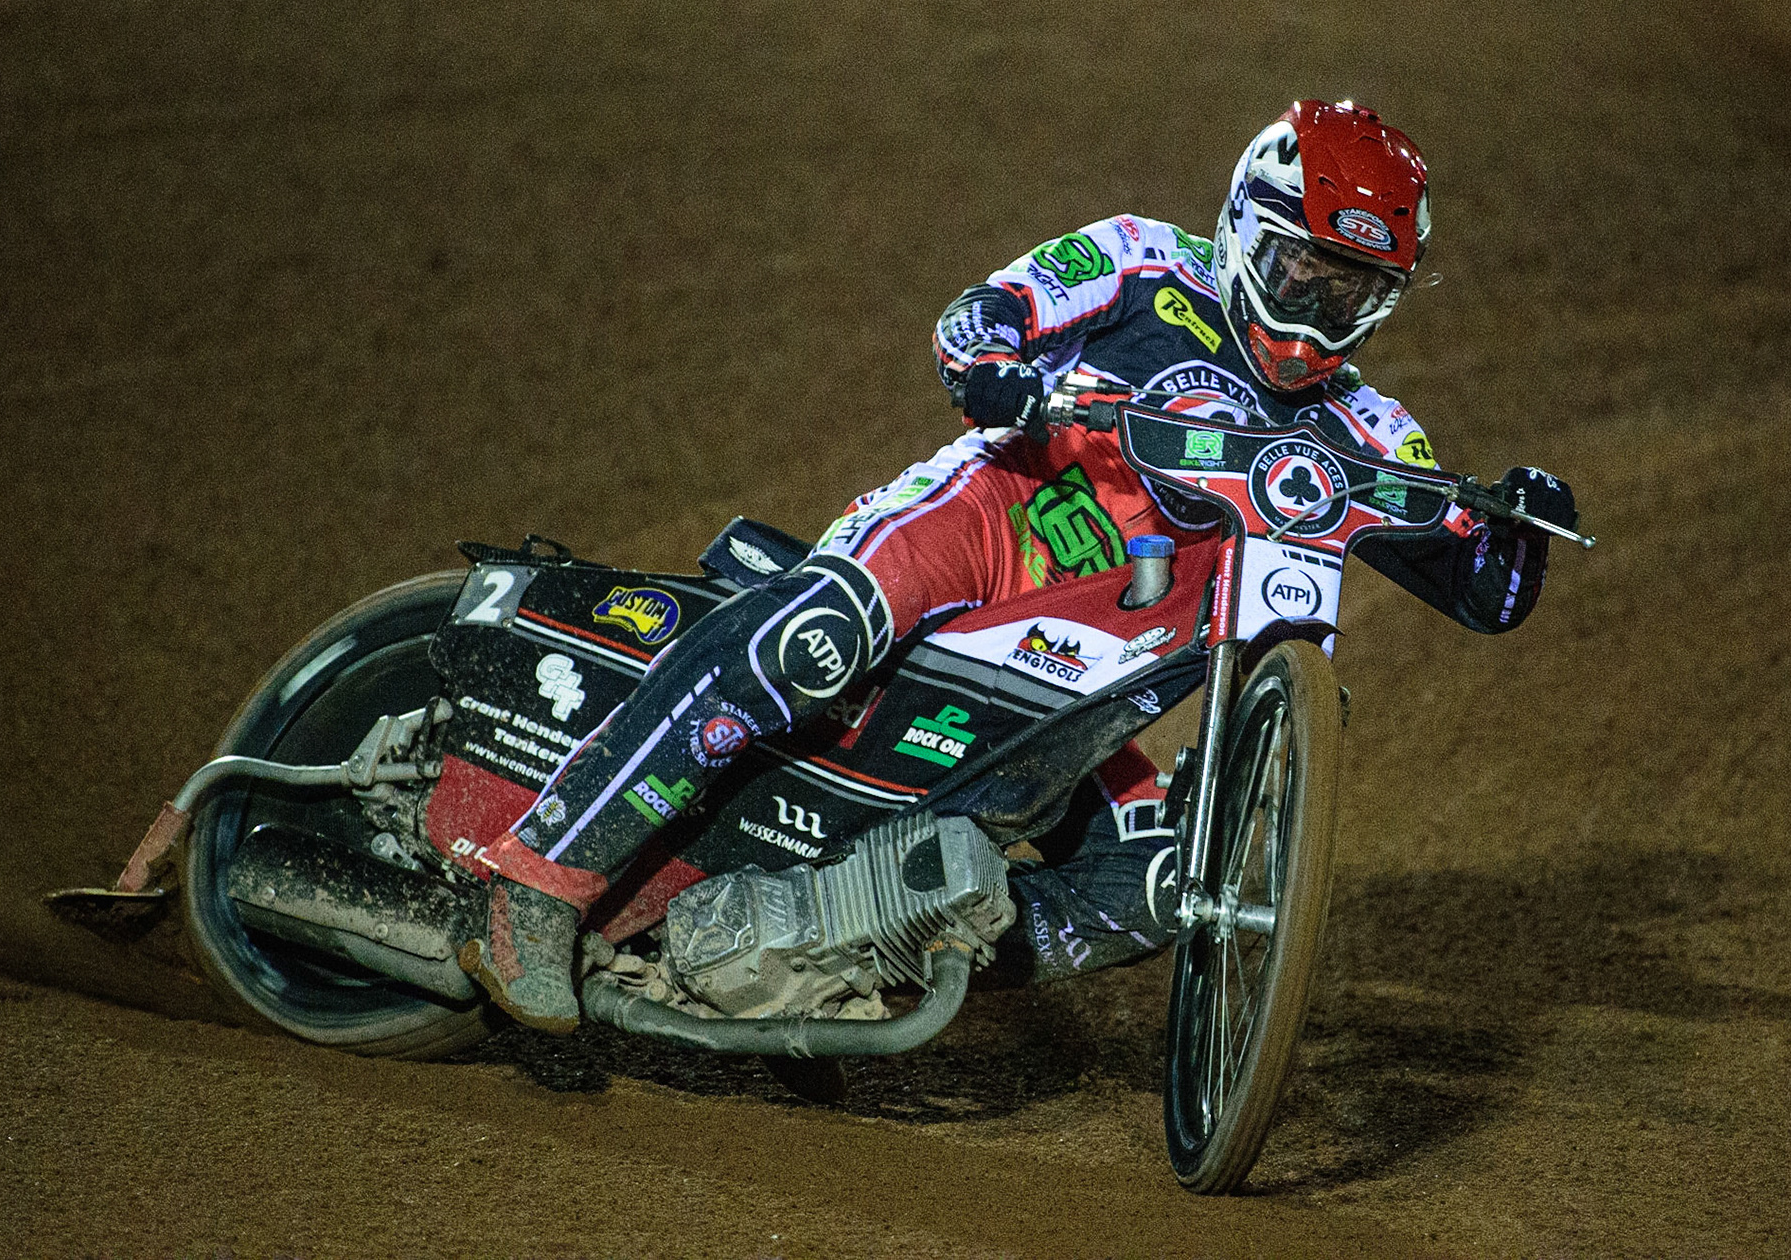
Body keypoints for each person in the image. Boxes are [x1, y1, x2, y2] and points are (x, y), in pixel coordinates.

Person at [458, 99, 1579, 1032]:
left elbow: (1484, 589)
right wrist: (1000, 370)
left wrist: (1521, 522)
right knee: (820, 635)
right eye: (1300, 272)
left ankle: (872, 958)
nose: (1318, 313)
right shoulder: (1144, 259)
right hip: (991, 518)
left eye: (1352, 295)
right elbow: (978, 316)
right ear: (1245, 226)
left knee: (1160, 886)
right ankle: (538, 879)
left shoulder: (1371, 432)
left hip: (1093, 671)